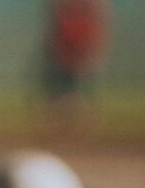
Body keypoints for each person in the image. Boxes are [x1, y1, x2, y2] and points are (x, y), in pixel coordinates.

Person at [42, 0, 111, 134]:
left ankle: (83, 127)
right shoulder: (65, 11)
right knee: (60, 93)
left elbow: (99, 28)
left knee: (79, 94)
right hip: (63, 56)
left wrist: (93, 52)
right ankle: (57, 127)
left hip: (81, 56)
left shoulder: (92, 10)